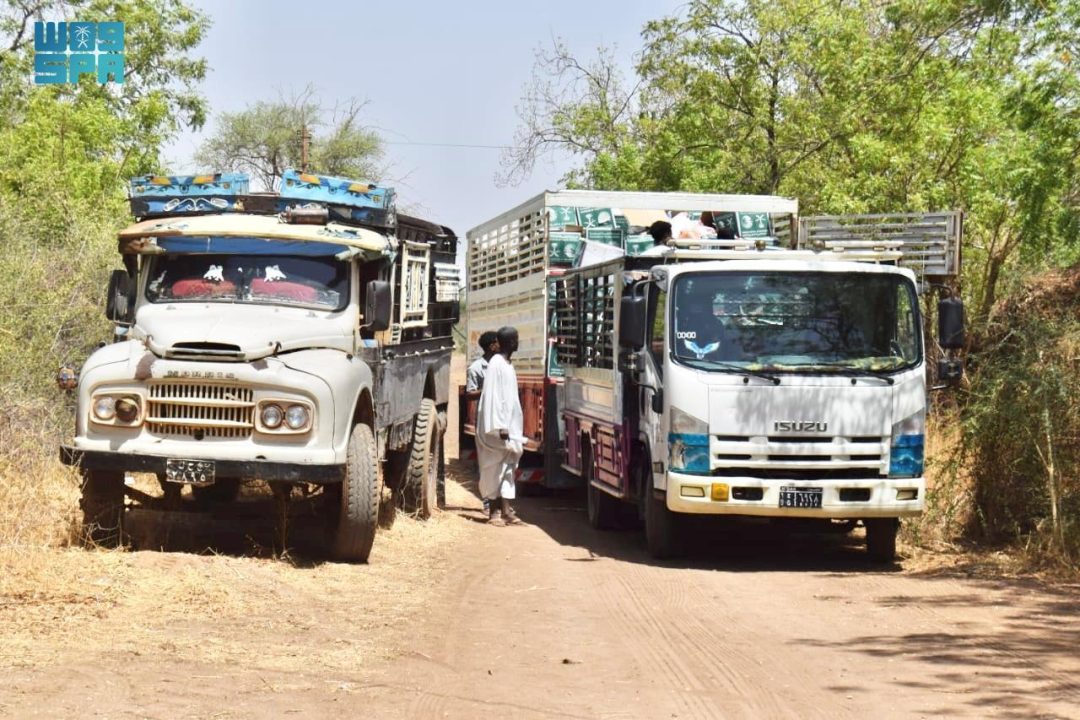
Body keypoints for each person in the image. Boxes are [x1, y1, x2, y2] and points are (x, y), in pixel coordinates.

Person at [476, 326, 527, 526]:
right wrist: (500, 426)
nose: (518, 342)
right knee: (494, 468)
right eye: (516, 338)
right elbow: (492, 396)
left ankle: (507, 511)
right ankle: (494, 512)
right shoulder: (496, 363)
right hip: (496, 428)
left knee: (508, 468)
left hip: (509, 427)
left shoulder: (507, 364)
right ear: (510, 342)